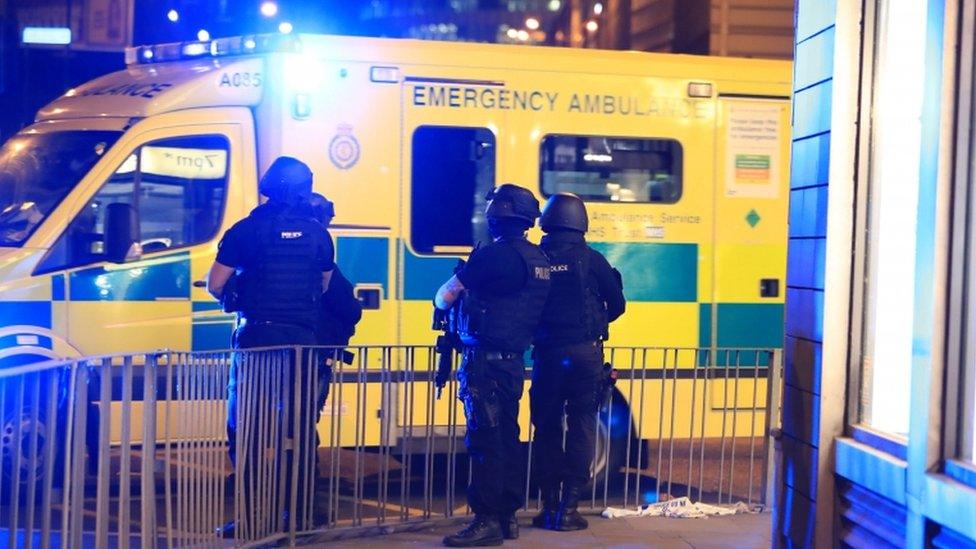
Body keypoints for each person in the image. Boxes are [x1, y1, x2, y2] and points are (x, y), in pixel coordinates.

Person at [207, 156, 334, 538]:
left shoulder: (246, 231)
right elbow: (324, 285)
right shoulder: (318, 234)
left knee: (246, 430)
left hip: (257, 340)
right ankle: (300, 515)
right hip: (302, 343)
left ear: (269, 186)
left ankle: (251, 516)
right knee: (298, 429)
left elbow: (216, 283)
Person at [434, 184, 551, 547]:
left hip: (483, 364)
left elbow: (443, 296)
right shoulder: (539, 260)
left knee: (484, 440)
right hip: (514, 363)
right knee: (507, 438)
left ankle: (485, 521)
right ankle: (507, 516)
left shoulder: (491, 257)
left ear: (497, 215)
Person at [529, 193, 626, 532]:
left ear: (547, 222)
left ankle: (549, 506)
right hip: (585, 353)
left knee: (547, 428)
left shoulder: (536, 257)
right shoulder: (591, 260)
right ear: (580, 223)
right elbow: (617, 304)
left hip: (546, 354)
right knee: (583, 424)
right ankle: (568, 509)